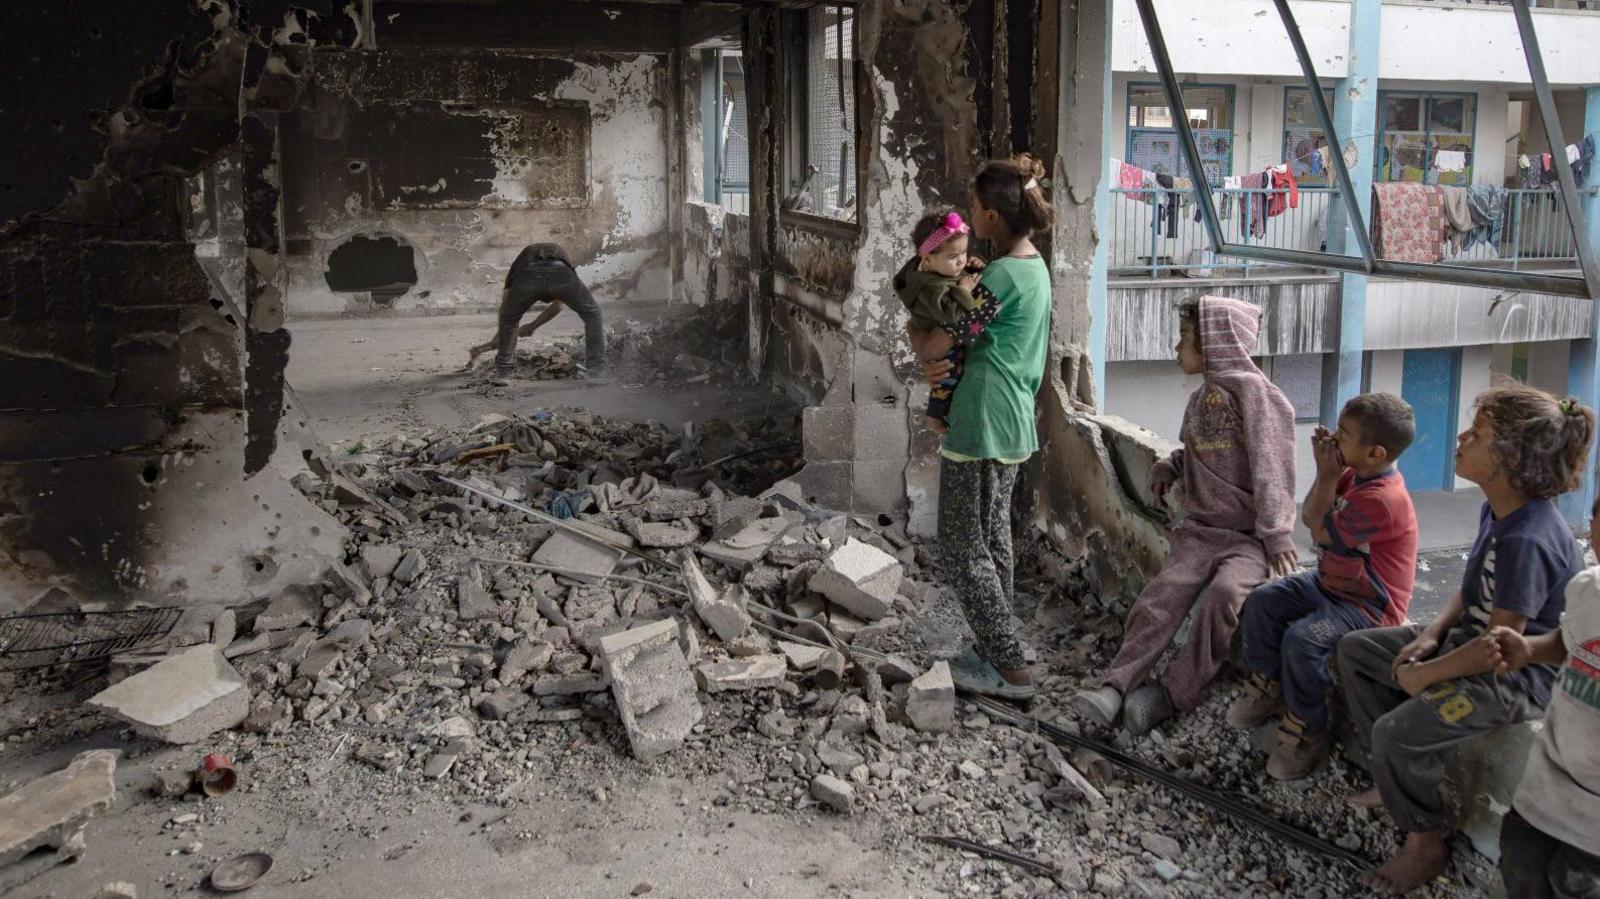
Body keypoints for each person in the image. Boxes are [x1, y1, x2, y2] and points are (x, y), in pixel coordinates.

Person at [1336, 386, 1595, 895]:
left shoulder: (1529, 538)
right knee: (1358, 650)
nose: (1461, 437)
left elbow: (1498, 647)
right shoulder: (1499, 509)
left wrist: (1425, 674)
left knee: (1397, 732)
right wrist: (1430, 634)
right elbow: (1469, 586)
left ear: (1511, 459)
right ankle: (1397, 785)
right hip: (1471, 639)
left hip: (1514, 676)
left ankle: (1425, 840)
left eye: (1478, 434)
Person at [1071, 295, 1297, 735]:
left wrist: (1277, 534)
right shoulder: (1201, 400)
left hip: (1249, 538)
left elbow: (1273, 465)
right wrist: (1171, 466)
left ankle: (1173, 692)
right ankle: (1115, 687)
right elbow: (1198, 452)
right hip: (1200, 531)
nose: (1177, 348)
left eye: (1185, 339)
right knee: (1160, 598)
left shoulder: (1257, 396)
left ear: (1216, 342)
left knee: (1225, 599)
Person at [908, 154, 1052, 700]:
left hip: (981, 416)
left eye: (973, 210)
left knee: (960, 544)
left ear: (991, 217)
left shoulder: (997, 277)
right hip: (1013, 418)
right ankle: (995, 648)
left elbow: (945, 341)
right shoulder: (1032, 267)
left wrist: (918, 335)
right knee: (994, 540)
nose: (969, 219)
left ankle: (1010, 665)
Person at [1230, 393, 1419, 781]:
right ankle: (1270, 684)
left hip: (1369, 605)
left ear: (1375, 453)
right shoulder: (1354, 475)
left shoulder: (1383, 500)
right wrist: (1330, 476)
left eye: (1344, 434)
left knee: (1303, 640)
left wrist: (1327, 475)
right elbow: (1311, 517)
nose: (1334, 439)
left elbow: (1315, 525)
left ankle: (1309, 727)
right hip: (1330, 584)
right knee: (1264, 600)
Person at [1483, 490, 1600, 899]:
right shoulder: (1588, 588)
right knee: (1521, 859)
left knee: (1574, 882)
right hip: (1551, 774)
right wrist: (1530, 649)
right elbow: (1571, 641)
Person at [894, 210, 983, 433]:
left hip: (930, 334)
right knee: (947, 375)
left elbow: (955, 269)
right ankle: (934, 415)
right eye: (954, 257)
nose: (961, 260)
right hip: (939, 341)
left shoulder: (932, 268)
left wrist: (972, 264)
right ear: (927, 259)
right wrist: (964, 289)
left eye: (964, 252)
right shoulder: (931, 288)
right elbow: (952, 315)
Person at [466, 243, 605, 372]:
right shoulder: (564, 260)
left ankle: (503, 371)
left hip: (528, 272)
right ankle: (596, 368)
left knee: (509, 319)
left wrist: (500, 337)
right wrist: (533, 326)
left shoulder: (518, 265)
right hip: (560, 271)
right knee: (592, 314)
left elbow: (507, 313)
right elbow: (558, 306)